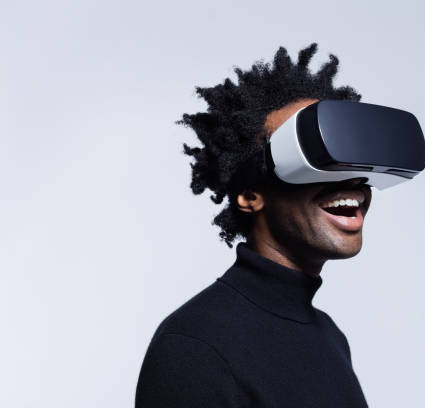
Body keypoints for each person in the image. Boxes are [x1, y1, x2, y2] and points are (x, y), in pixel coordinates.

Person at [135, 43, 372, 407]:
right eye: (312, 156)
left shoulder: (329, 336)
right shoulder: (195, 345)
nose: (352, 181)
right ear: (250, 194)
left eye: (347, 158)